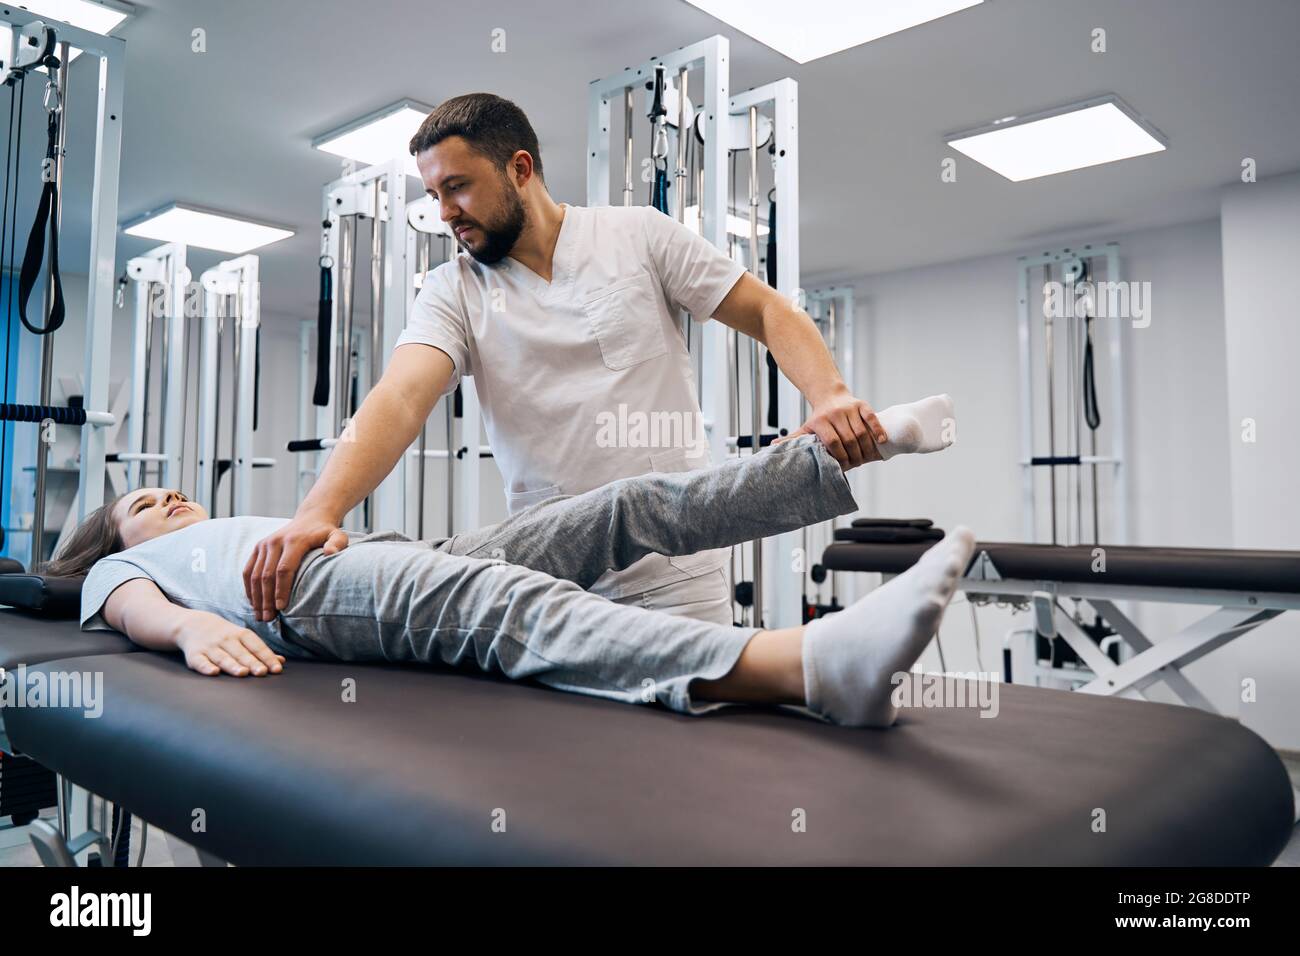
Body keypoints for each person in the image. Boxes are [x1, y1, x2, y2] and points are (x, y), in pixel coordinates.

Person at [245, 93, 909, 630]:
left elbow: (768, 310)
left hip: (674, 574)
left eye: (458, 188)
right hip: (549, 578)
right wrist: (317, 511)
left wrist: (828, 394)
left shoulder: (637, 236)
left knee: (696, 762)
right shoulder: (455, 289)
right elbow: (400, 396)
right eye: (434, 196)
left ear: (521, 169)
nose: (446, 213)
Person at [55, 430, 972, 729]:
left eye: (168, 487)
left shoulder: (235, 523)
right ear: (112, 539)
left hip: (397, 550)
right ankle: (807, 668)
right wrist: (184, 630)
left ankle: (836, 455)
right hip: (304, 600)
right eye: (142, 500)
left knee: (621, 506)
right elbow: (130, 609)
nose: (167, 496)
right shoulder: (131, 567)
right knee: (506, 609)